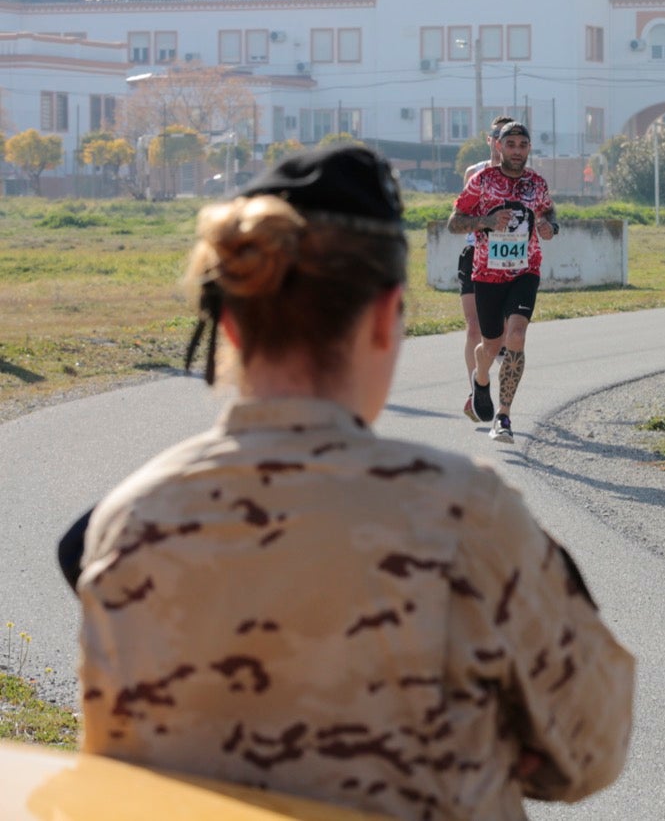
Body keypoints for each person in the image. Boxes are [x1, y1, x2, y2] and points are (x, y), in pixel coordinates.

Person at [63, 145, 633, 821]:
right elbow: (593, 749)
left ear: (230, 325)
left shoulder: (124, 524)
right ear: (388, 317)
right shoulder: (463, 518)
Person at [448, 123, 558, 443]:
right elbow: (455, 222)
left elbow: (549, 214)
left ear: (528, 148)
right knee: (491, 344)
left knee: (518, 336)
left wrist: (550, 227)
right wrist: (486, 221)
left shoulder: (536, 183)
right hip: (487, 273)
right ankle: (480, 380)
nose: (517, 150)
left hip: (525, 270)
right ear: (499, 147)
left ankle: (504, 416)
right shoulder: (481, 181)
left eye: (523, 144)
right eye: (511, 144)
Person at [457, 116, 518, 382]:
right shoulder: (474, 172)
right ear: (490, 140)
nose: (500, 141)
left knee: (500, 331)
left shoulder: (523, 175)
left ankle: (493, 363)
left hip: (509, 257)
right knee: (473, 328)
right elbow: (462, 215)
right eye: (497, 135)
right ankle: (476, 391)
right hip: (475, 252)